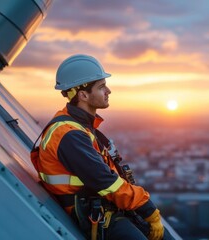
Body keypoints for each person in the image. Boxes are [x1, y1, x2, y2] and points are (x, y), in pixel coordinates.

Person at [34, 54, 167, 240]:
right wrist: (148, 209)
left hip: (103, 207)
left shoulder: (81, 128)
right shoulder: (69, 135)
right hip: (93, 213)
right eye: (102, 86)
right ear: (83, 95)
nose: (109, 91)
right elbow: (106, 181)